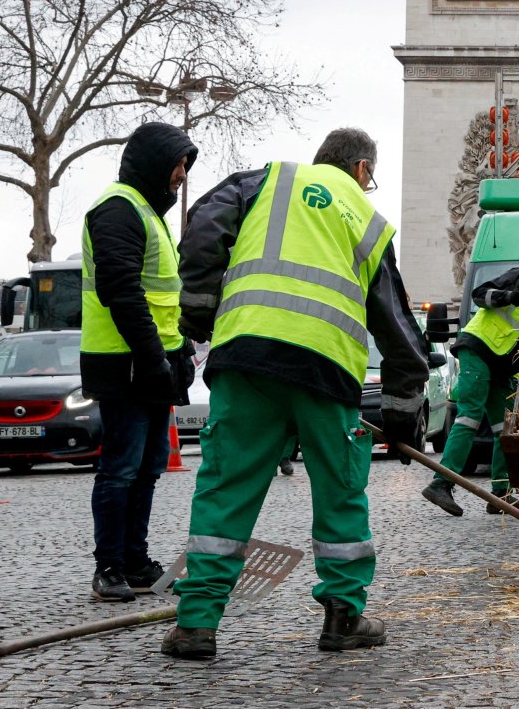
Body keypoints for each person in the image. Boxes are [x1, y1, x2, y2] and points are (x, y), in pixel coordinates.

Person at [161, 128, 430, 661]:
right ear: (360, 170)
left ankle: (196, 624)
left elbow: (204, 225)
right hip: (326, 369)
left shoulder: (265, 181)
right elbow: (398, 330)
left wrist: (198, 311)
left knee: (226, 489)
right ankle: (343, 617)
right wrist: (401, 418)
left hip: (246, 357)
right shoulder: (367, 220)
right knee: (340, 493)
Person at [80, 121, 199, 604]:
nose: (181, 175)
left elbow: (164, 299)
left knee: (147, 466)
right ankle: (109, 566)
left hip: (151, 360)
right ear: (155, 162)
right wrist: (155, 358)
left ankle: (134, 560)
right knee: (122, 468)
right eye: (178, 165)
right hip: (124, 362)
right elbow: (122, 293)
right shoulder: (117, 209)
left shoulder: (148, 213)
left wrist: (182, 350)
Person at [422, 266, 519, 517]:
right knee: (469, 416)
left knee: (506, 426)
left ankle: (501, 495)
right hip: (478, 349)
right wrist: (511, 296)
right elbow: (480, 294)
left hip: (500, 364)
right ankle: (441, 483)